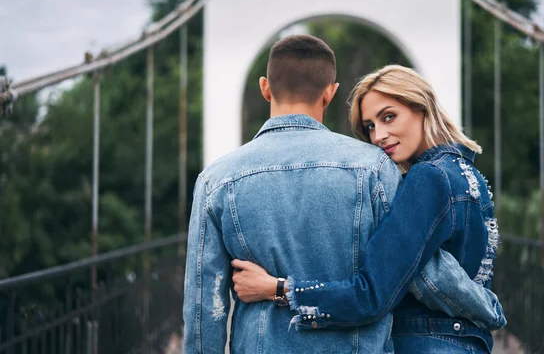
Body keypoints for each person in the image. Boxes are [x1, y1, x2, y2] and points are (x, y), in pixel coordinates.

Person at [183, 36, 503, 353]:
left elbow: (203, 307)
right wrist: (486, 306)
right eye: (372, 125)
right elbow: (421, 272)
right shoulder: (375, 169)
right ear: (330, 93)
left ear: (265, 87)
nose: (378, 134)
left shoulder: (215, 180)